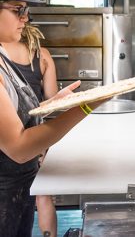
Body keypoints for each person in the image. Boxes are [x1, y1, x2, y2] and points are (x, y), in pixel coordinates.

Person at [0, 0, 107, 237]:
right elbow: (19, 148)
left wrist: (54, 103)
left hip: (17, 187)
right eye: (17, 9)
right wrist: (85, 106)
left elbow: (16, 112)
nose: (25, 18)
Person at [2, 23, 58, 236]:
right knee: (42, 194)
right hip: (36, 135)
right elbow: (52, 97)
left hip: (6, 136)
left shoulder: (3, 57)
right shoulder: (42, 55)